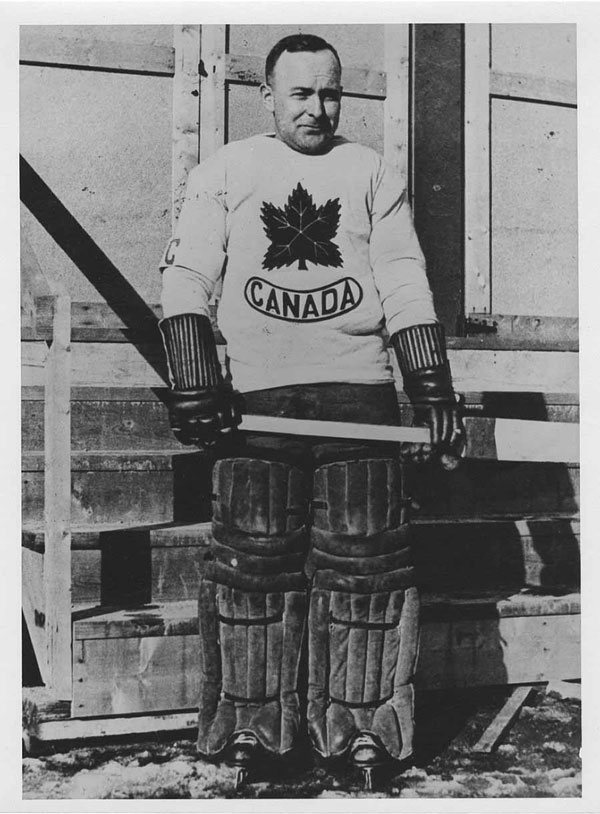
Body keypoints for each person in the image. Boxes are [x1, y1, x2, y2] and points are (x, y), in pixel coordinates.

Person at [159, 33, 464, 789]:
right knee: (251, 570)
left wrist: (430, 388)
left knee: (367, 569)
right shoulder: (227, 170)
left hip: (357, 396)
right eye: (301, 93)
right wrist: (196, 378)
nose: (318, 108)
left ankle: (363, 728)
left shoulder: (369, 172)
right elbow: (188, 274)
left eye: (330, 93)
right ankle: (253, 728)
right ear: (268, 96)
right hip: (257, 403)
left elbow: (402, 279)